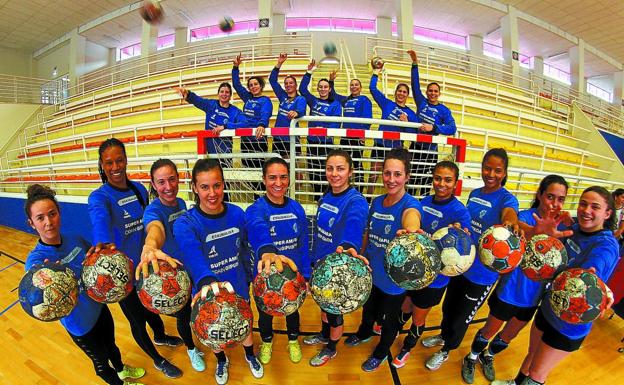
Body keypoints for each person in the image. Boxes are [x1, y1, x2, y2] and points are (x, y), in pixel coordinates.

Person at [492, 186, 619, 385]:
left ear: (607, 213)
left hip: (569, 324)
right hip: (549, 308)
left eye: (595, 207)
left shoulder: (606, 245)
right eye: (583, 204)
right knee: (530, 357)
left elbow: (598, 267)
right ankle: (515, 383)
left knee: (537, 374)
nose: (586, 210)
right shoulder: (574, 228)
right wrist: (546, 235)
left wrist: (592, 276)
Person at [24, 184, 146, 385]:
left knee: (112, 346)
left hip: (99, 307)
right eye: (40, 218)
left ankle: (123, 370)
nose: (48, 222)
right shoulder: (36, 261)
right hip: (80, 324)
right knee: (100, 363)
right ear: (31, 223)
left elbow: (96, 259)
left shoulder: (74, 239)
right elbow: (37, 296)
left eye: (52, 214)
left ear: (59, 213)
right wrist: (45, 279)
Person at [421, 148, 521, 378]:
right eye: (488, 168)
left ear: (505, 172)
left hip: (482, 275)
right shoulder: (475, 193)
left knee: (463, 315)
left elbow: (509, 215)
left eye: (498, 170)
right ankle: (443, 335)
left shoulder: (507, 198)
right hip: (460, 265)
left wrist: (509, 222)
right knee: (449, 307)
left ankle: (447, 349)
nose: (491, 174)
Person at [88, 138, 182, 379]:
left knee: (152, 308)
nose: (116, 166)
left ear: (126, 159)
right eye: (109, 163)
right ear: (102, 165)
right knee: (137, 319)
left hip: (146, 266)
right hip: (123, 274)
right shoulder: (100, 197)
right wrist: (103, 242)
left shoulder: (138, 189)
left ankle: (160, 336)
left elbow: (150, 222)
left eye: (120, 160)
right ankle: (158, 359)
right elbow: (99, 219)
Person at [463, 175, 570, 383]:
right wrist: (536, 231)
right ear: (539, 195)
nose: (554, 204)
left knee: (507, 337)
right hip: (509, 292)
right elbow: (515, 228)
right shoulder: (526, 217)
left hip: (532, 299)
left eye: (560, 199)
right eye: (550, 196)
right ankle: (472, 356)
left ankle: (488, 356)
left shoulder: (562, 228)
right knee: (489, 330)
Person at [172, 159, 263, 385]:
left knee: (245, 324)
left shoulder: (237, 214)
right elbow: (191, 252)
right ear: (194, 187)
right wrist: (206, 278)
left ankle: (250, 355)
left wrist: (250, 275)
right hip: (207, 290)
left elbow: (244, 248)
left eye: (217, 185)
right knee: (213, 329)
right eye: (204, 187)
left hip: (238, 286)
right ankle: (221, 360)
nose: (212, 193)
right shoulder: (186, 223)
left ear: (223, 184)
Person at [343, 148, 422, 372]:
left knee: (389, 321)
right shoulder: (377, 202)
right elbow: (367, 233)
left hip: (393, 283)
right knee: (368, 311)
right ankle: (365, 332)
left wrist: (411, 230)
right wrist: (360, 258)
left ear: (407, 176)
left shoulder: (410, 205)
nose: (391, 179)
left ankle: (381, 352)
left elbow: (412, 220)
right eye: (387, 173)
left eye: (397, 174)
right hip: (372, 273)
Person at [391, 160, 471, 369]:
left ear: (455, 183)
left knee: (418, 316)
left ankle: (407, 348)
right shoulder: (424, 202)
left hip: (436, 280)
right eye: (437, 178)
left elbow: (465, 240)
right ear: (432, 179)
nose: (441, 184)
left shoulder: (459, 212)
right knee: (405, 306)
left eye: (447, 180)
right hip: (414, 271)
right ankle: (393, 332)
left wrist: (459, 232)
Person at [134, 159, 206, 372]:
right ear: (154, 185)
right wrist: (150, 245)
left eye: (172, 180)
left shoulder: (182, 203)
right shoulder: (153, 210)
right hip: (174, 276)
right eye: (161, 182)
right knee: (183, 317)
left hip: (189, 266)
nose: (168, 187)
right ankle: (192, 349)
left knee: (196, 309)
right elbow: (155, 229)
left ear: (179, 178)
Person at [302, 149, 369, 367]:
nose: (334, 174)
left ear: (351, 171)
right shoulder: (327, 196)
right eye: (330, 168)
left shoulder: (356, 201)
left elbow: (355, 224)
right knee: (323, 305)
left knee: (334, 311)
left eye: (340, 169)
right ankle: (324, 335)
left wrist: (349, 245)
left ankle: (331, 349)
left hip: (339, 269)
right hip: (322, 265)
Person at [245, 157, 310, 365]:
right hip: (265, 279)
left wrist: (305, 275)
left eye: (283, 177)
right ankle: (266, 341)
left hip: (291, 278)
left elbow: (303, 245)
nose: (278, 183)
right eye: (272, 177)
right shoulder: (256, 210)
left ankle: (293, 341)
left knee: (293, 311)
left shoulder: (297, 209)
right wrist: (267, 252)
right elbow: (257, 229)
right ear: (264, 179)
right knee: (265, 314)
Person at [407, 50, 457, 196]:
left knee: (425, 184)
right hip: (415, 148)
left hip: (430, 152)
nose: (433, 93)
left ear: (439, 93)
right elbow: (414, 84)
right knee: (411, 181)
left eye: (435, 91)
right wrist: (415, 63)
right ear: (427, 92)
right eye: (430, 91)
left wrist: (434, 127)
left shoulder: (443, 110)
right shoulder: (421, 102)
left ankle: (422, 209)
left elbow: (452, 128)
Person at [368, 60, 419, 196]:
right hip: (380, 144)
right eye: (399, 91)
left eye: (404, 92)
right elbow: (372, 89)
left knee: (393, 178)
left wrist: (406, 122)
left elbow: (413, 134)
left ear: (407, 95)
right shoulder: (387, 104)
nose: (401, 93)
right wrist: (375, 72)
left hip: (396, 150)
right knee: (373, 176)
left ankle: (394, 201)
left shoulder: (411, 114)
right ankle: (367, 200)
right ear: (395, 93)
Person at [299, 59, 343, 198]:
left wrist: (322, 131)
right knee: (312, 170)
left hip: (325, 144)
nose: (323, 89)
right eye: (320, 87)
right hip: (312, 142)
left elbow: (335, 124)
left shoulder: (335, 104)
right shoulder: (314, 101)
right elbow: (302, 89)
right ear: (317, 89)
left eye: (325, 87)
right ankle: (316, 197)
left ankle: (326, 196)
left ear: (329, 89)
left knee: (326, 171)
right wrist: (309, 72)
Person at [174, 82, 246, 156]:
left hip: (225, 152)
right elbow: (198, 100)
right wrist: (187, 93)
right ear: (218, 94)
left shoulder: (235, 111)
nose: (224, 94)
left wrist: (225, 126)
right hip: (209, 150)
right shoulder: (211, 105)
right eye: (222, 92)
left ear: (230, 95)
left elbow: (244, 123)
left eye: (227, 92)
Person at [232, 53, 274, 173]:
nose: (253, 87)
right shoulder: (247, 98)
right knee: (248, 168)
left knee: (260, 170)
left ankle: (261, 192)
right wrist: (235, 67)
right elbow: (236, 85)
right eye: (251, 85)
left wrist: (261, 125)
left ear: (261, 86)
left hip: (258, 140)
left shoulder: (265, 100)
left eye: (256, 84)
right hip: (246, 139)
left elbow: (266, 114)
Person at [328, 70, 373, 182]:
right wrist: (331, 81)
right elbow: (333, 95)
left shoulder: (364, 99)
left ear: (361, 87)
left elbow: (368, 118)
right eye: (352, 85)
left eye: (356, 84)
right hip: (345, 135)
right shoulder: (346, 100)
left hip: (357, 135)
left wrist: (364, 133)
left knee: (356, 162)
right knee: (343, 161)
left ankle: (359, 187)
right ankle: (345, 183)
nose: (354, 87)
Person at [269, 53, 307, 158]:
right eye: (286, 83)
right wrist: (279, 63)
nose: (288, 85)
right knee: (278, 164)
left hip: (291, 136)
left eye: (291, 83)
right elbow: (272, 80)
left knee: (294, 166)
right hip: (278, 136)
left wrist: (296, 113)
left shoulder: (300, 99)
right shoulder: (282, 96)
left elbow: (301, 110)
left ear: (296, 85)